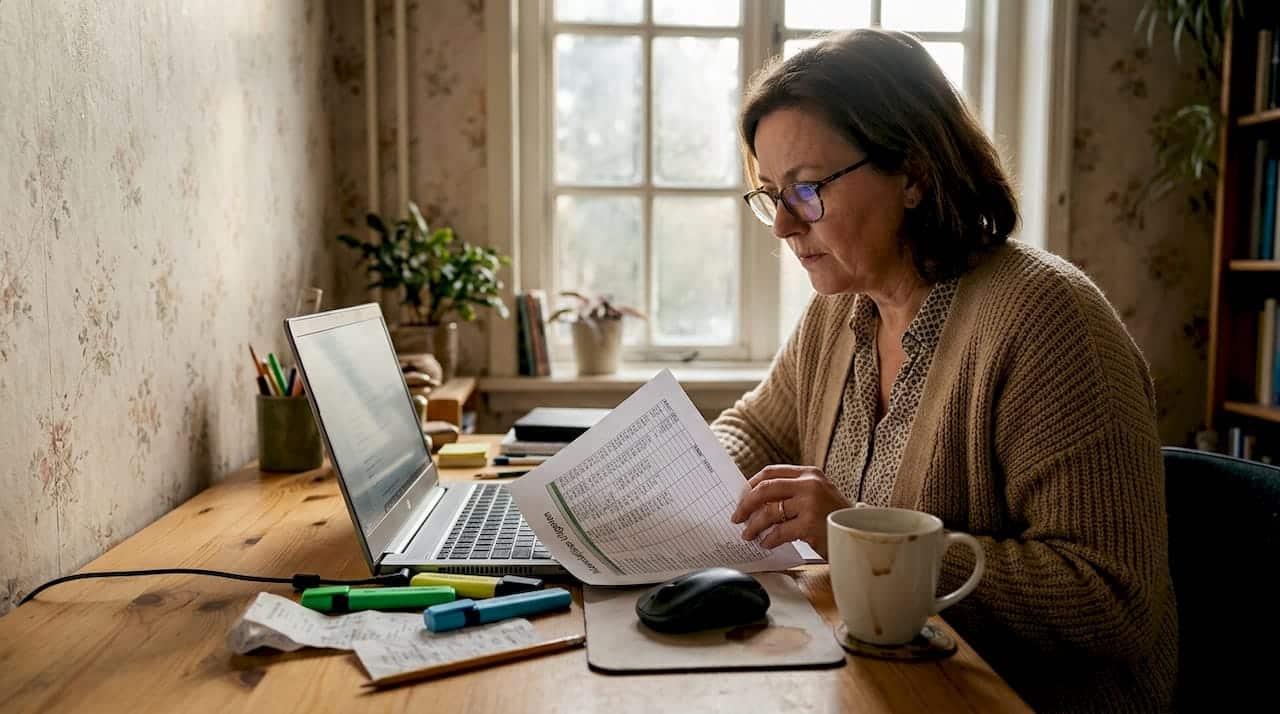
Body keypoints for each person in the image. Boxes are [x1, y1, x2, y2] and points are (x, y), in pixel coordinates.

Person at [714, 29, 1176, 712]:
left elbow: (1111, 599)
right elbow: (756, 427)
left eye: (806, 189)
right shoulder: (841, 309)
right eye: (770, 194)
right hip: (873, 683)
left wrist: (864, 538)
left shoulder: (1049, 319)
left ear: (915, 174)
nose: (783, 226)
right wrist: (680, 473)